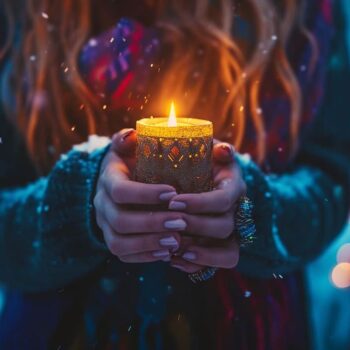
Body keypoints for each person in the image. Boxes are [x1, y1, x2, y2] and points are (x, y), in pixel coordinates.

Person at [0, 0, 349, 349]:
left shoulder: (301, 11)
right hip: (60, 330)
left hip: (246, 329)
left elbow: (332, 178)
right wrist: (77, 204)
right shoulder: (23, 12)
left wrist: (252, 213)